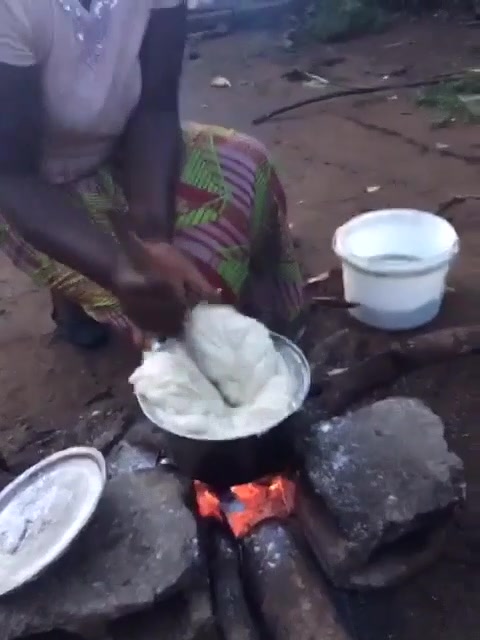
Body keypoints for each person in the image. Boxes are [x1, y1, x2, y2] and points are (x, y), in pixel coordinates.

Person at [0, 0, 304, 350]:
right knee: (159, 303)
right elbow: (13, 177)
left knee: (247, 163)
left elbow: (156, 107)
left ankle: (267, 309)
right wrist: (116, 267)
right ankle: (71, 292)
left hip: (118, 138)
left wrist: (153, 236)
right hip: (30, 180)